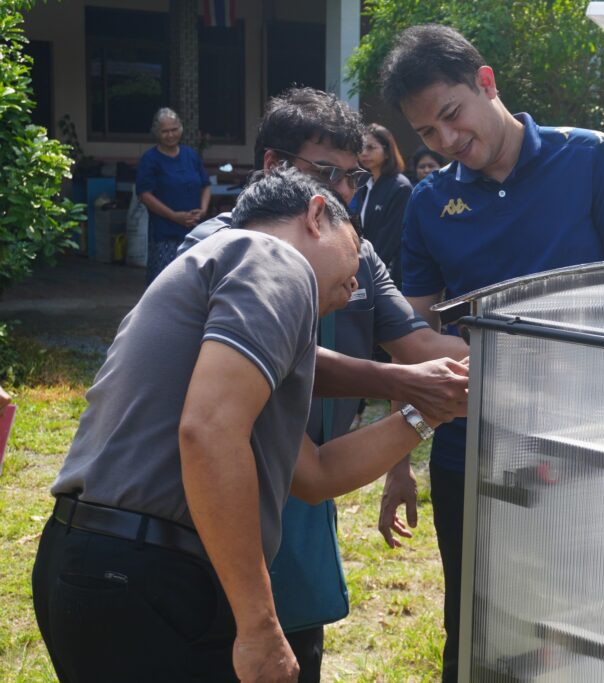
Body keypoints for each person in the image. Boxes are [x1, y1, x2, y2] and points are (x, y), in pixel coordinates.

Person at [32, 165, 461, 683]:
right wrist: (260, 625)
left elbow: (316, 474)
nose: (354, 285)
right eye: (355, 252)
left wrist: (426, 412)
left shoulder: (226, 302)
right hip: (151, 574)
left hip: (93, 564)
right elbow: (209, 432)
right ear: (316, 215)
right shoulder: (270, 257)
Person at [377, 24, 604, 681]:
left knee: (591, 622)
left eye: (452, 115)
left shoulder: (589, 159)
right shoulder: (429, 203)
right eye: (427, 133)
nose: (447, 140)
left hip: (588, 440)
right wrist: (397, 460)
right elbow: (409, 339)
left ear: (486, 82)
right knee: (476, 624)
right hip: (472, 447)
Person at [183, 86, 470, 682]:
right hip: (223, 492)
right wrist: (403, 382)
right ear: (273, 166)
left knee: (296, 649)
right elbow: (283, 358)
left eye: (354, 176)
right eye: (325, 173)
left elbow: (421, 347)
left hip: (309, 487)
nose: (342, 192)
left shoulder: (357, 257)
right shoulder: (220, 248)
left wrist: (522, 358)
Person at [136, 107, 211, 283]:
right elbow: (144, 195)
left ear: (181, 129)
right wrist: (174, 216)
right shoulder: (150, 159)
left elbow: (206, 185)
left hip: (194, 230)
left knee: (194, 281)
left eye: (174, 129)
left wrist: (203, 210)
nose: (170, 135)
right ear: (157, 132)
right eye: (165, 131)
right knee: (165, 281)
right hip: (165, 232)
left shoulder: (191, 155)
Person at [353, 124, 413, 288]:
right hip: (364, 267)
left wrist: (366, 271)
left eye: (371, 148)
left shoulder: (400, 187)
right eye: (361, 148)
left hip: (387, 274)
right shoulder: (364, 182)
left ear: (387, 152)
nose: (364, 153)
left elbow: (390, 239)